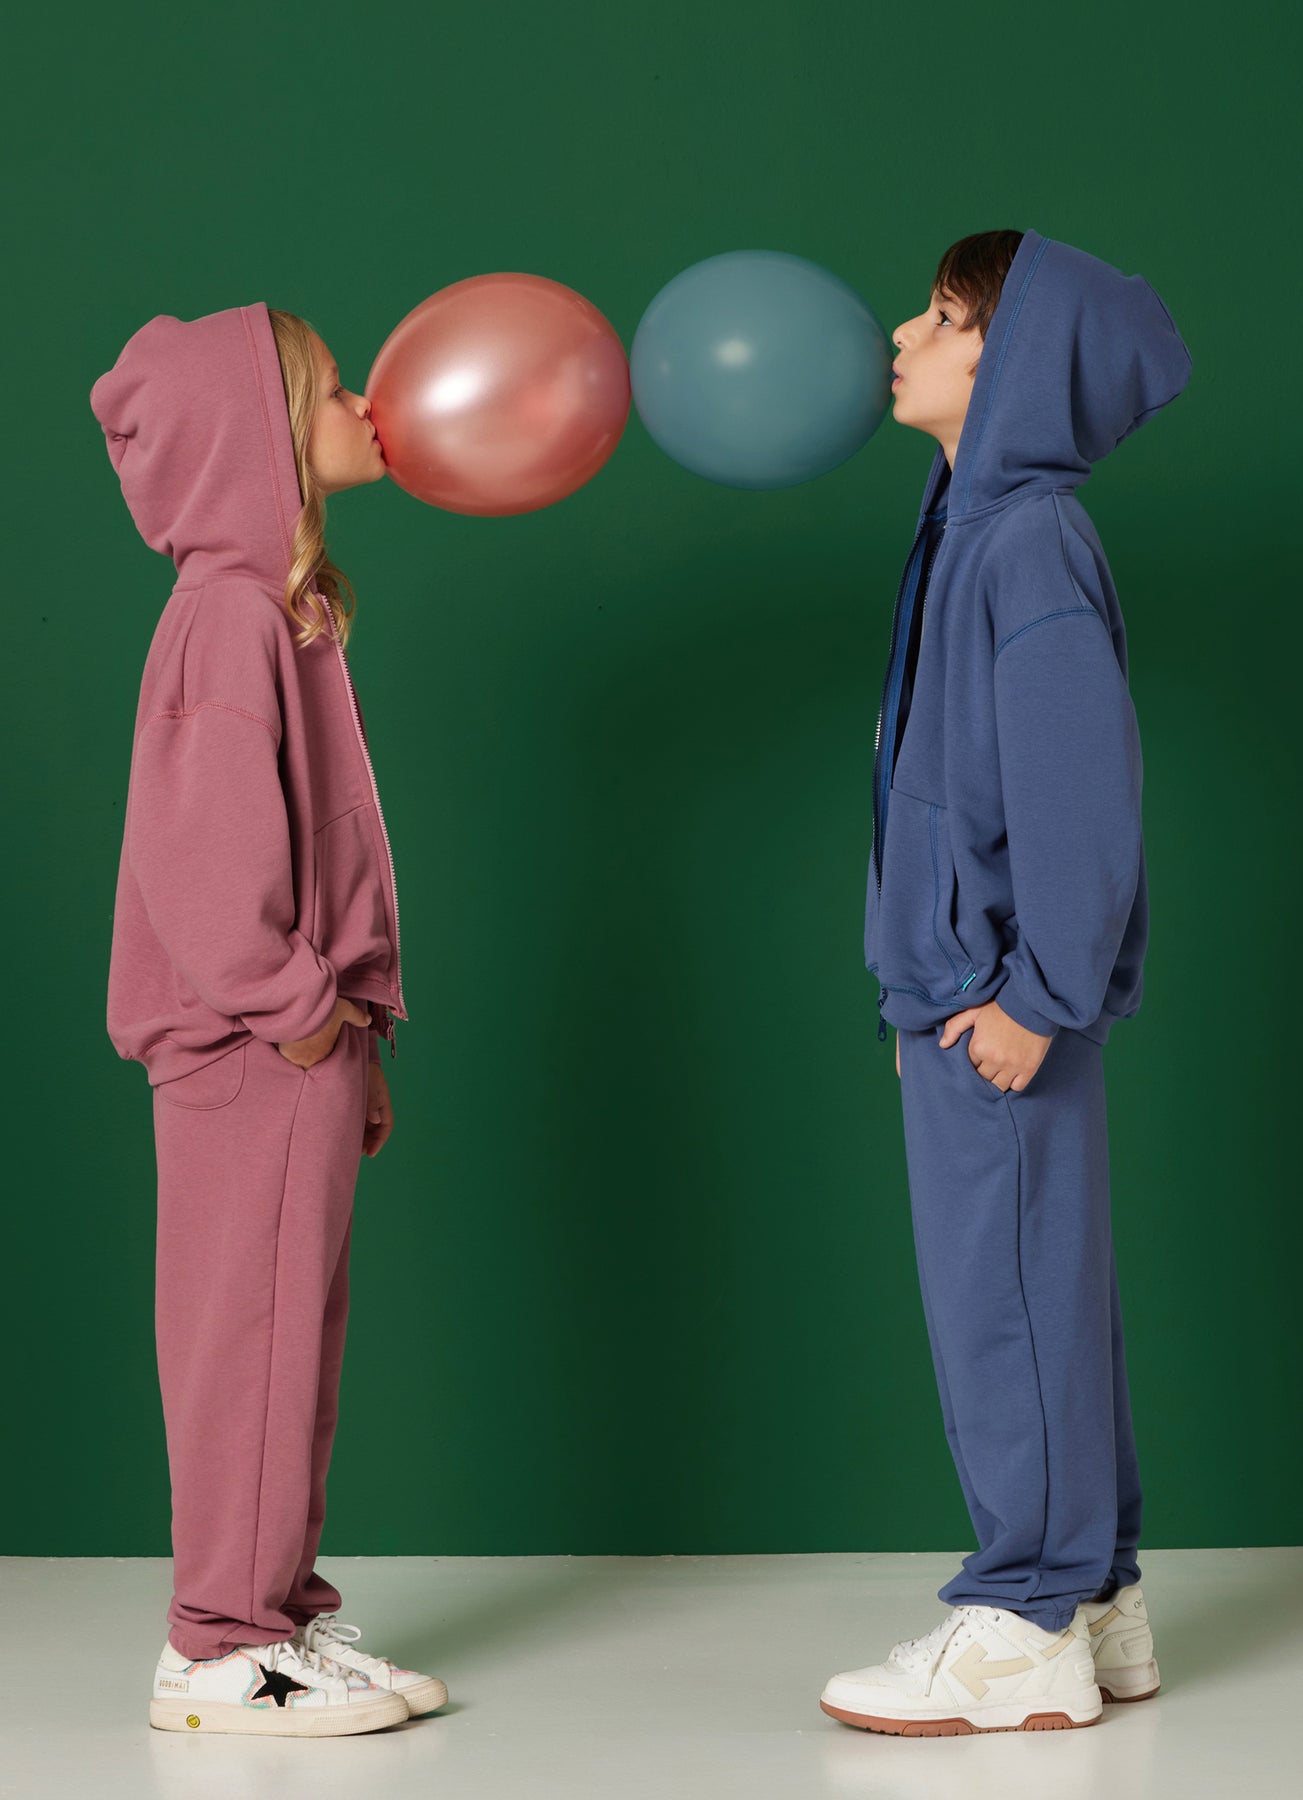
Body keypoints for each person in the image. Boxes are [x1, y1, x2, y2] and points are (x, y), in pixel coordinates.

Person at [819, 227, 1192, 1736]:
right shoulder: (972, 525)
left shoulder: (1023, 539)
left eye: (943, 317)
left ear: (1017, 360)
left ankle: (1024, 1616)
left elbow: (1081, 789)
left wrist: (1036, 997)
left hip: (997, 1005)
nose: (903, 336)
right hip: (973, 992)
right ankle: (1095, 1602)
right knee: (1048, 1302)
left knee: (1008, 1314)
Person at [91, 302, 446, 1736]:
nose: (366, 403)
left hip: (304, 1040)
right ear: (261, 439)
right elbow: (205, 869)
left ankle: (273, 1617)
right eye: (330, 389)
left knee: (292, 1340)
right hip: (253, 1047)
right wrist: (303, 1015)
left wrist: (355, 1032)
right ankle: (219, 1647)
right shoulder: (226, 617)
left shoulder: (270, 610)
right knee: (247, 1341)